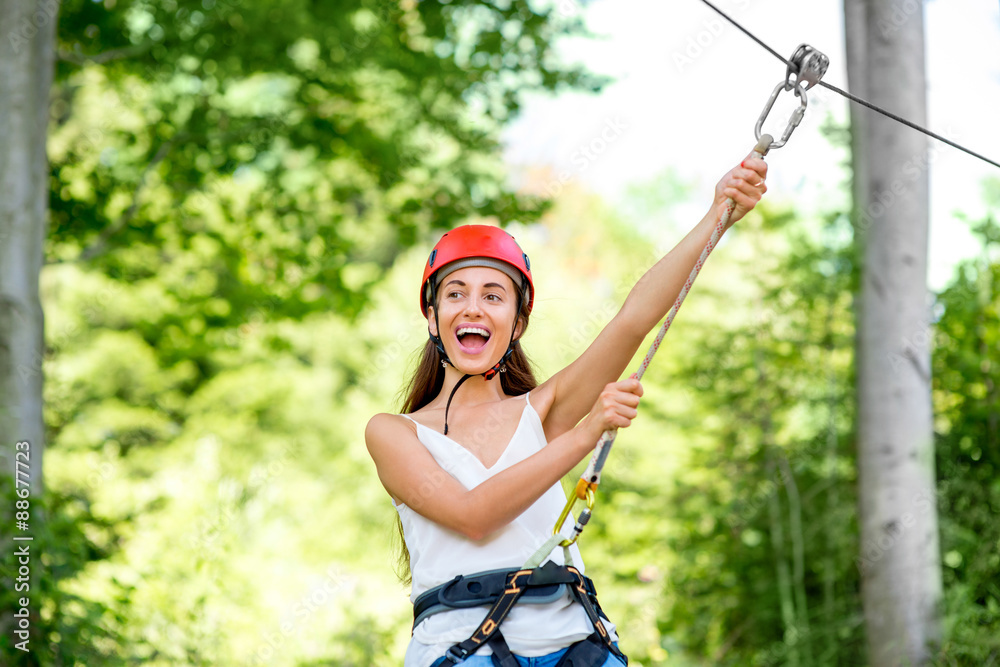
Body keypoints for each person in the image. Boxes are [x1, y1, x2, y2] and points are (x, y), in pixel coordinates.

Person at [366, 153, 768, 666]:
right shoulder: (394, 434)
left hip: (575, 645)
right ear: (432, 316)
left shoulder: (545, 410)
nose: (473, 307)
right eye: (455, 294)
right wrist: (585, 435)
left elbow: (633, 319)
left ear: (516, 324)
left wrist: (717, 216)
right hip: (462, 650)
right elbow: (474, 517)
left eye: (493, 296)